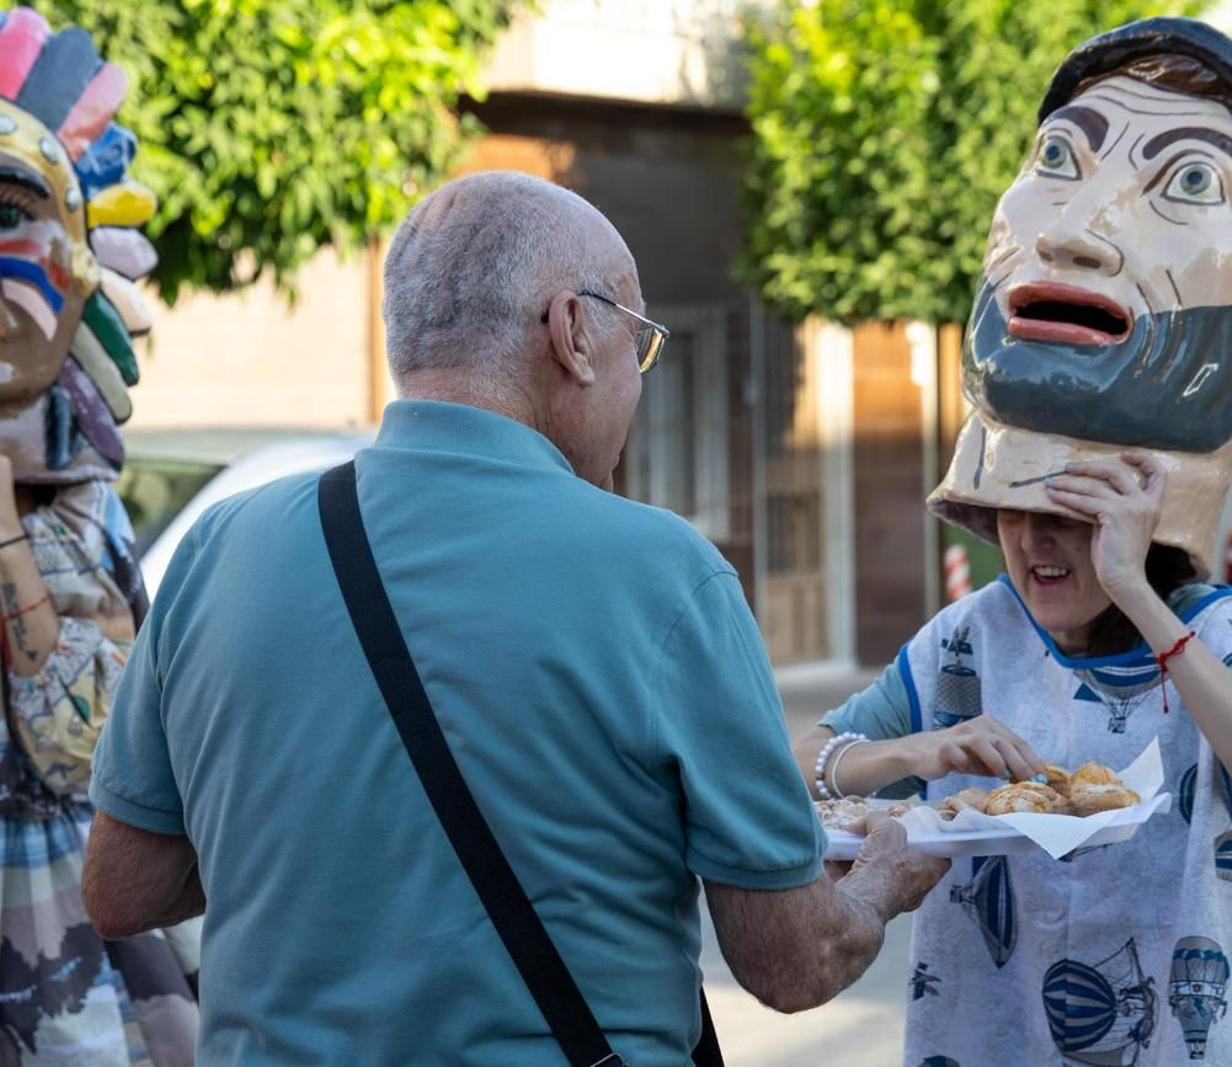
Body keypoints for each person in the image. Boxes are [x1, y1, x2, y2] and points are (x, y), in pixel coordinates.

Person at [80, 171, 948, 1065]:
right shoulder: (663, 573)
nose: (638, 382)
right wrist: (885, 877)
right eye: (637, 341)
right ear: (573, 331)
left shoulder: (223, 546)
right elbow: (790, 962)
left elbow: (121, 890)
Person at [795, 18, 1232, 1066]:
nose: (1034, 543)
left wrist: (1144, 599)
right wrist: (915, 753)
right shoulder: (968, 639)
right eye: (1014, 509)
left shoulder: (1209, 631)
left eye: (1073, 517)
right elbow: (807, 765)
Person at [0, 6, 199, 1062]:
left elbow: (80, 749)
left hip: (59, 966)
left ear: (81, 260)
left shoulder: (85, 515)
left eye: (4, 209)